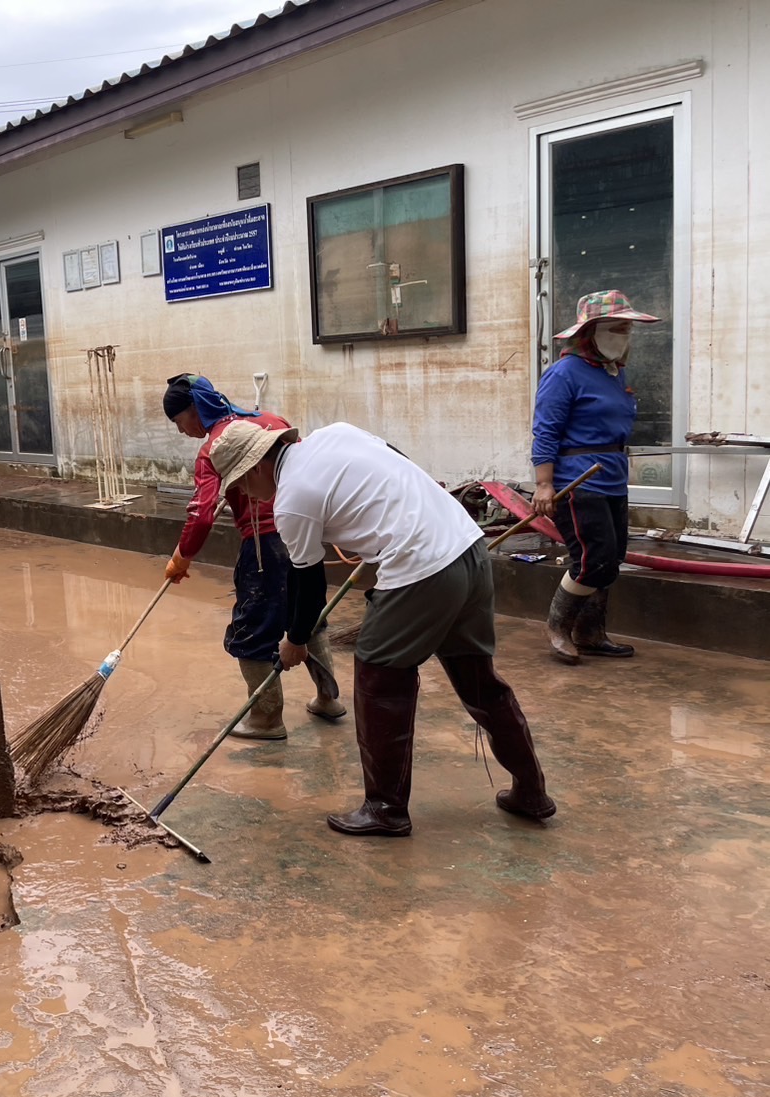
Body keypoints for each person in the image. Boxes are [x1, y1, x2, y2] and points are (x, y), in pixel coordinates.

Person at [209, 420, 555, 837]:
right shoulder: (335, 434)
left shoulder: (291, 502)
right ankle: (531, 791)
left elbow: (307, 584)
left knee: (378, 676)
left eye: (241, 488)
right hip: (467, 545)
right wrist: (381, 537)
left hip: (421, 566)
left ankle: (385, 808)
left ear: (255, 469)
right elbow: (396, 466)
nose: (247, 497)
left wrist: (296, 640)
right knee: (479, 680)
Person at [161, 373, 345, 740]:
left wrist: (181, 558)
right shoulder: (272, 422)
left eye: (182, 422)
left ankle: (266, 719)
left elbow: (202, 514)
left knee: (252, 631)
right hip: (305, 531)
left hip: (264, 545)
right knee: (307, 615)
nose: (183, 432)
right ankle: (328, 698)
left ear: (196, 411)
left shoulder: (214, 448)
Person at [532, 290, 660, 665]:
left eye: (627, 330)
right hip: (578, 481)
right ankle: (559, 627)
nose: (623, 336)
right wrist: (544, 484)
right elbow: (546, 431)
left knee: (611, 558)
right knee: (592, 559)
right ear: (588, 332)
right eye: (616, 328)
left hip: (612, 479)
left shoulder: (616, 374)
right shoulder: (564, 373)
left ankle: (590, 633)